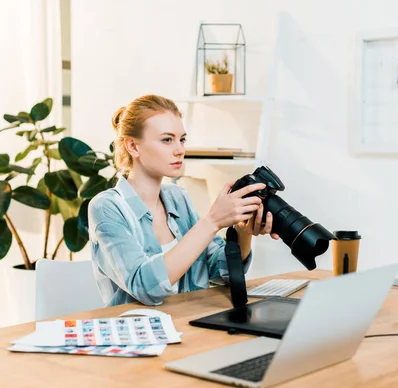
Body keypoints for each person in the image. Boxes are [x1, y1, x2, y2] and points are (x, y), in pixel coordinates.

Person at [88, 94, 279, 307]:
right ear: (133, 146)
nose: (179, 150)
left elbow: (221, 271)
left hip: (188, 323)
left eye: (182, 139)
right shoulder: (107, 208)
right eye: (167, 140)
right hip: (138, 332)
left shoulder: (178, 198)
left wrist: (243, 232)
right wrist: (212, 222)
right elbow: (145, 287)